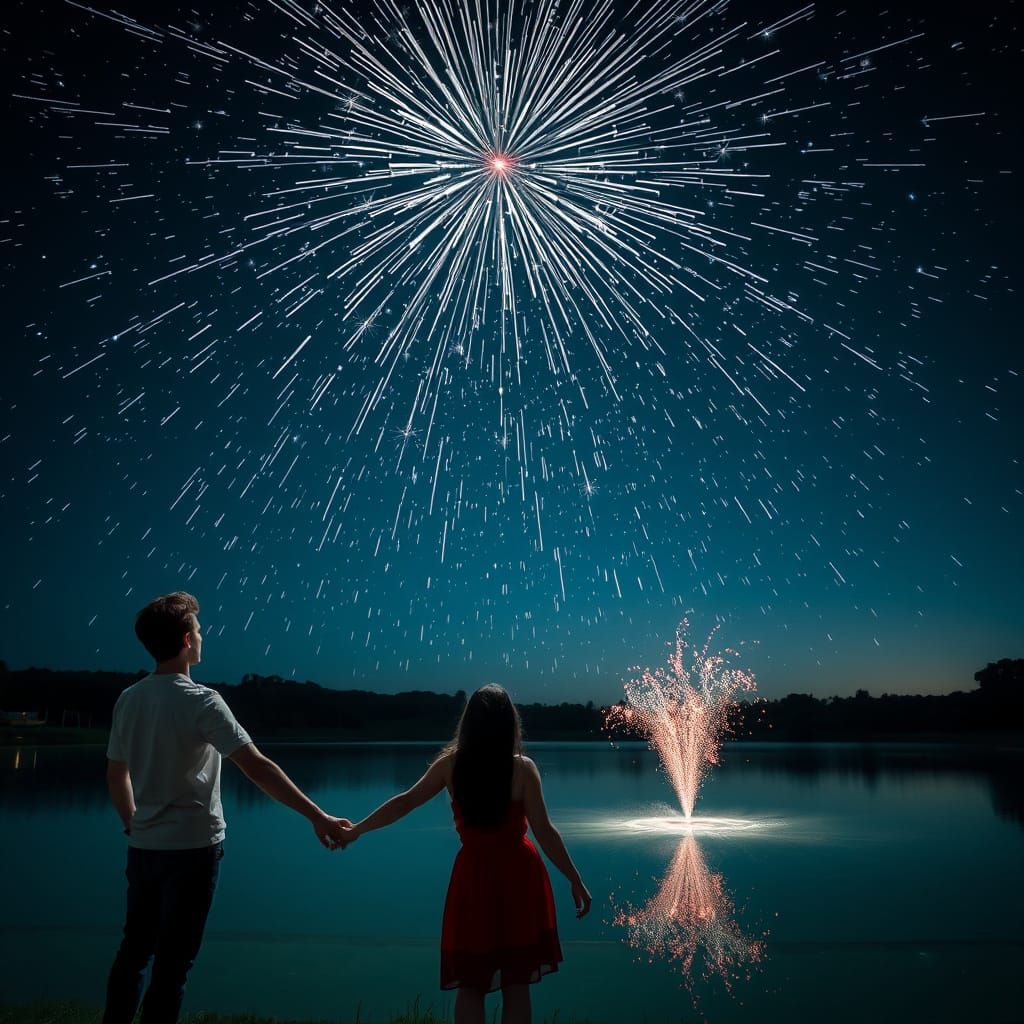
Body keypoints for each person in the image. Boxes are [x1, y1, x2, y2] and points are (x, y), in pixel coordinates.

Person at [102, 591, 349, 1024]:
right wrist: (318, 816)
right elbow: (257, 767)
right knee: (173, 964)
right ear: (185, 640)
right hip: (194, 849)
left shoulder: (129, 699)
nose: (203, 635)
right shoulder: (202, 700)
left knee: (133, 951)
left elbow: (115, 773)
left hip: (143, 847)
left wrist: (131, 821)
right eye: (198, 629)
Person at [339, 683, 591, 1024]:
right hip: (519, 876)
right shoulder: (523, 769)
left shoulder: (450, 766)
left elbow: (405, 803)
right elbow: (545, 832)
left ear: (469, 722)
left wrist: (357, 830)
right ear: (509, 724)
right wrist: (574, 878)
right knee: (517, 983)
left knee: (471, 984)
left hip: (474, 878)